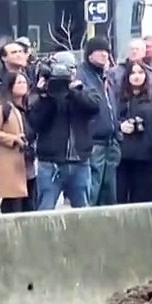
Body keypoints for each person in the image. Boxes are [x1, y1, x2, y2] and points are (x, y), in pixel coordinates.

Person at [29, 53, 100, 210]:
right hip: (50, 163)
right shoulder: (43, 94)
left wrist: (73, 91)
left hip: (80, 161)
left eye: (71, 69)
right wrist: (46, 96)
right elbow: (36, 122)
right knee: (45, 210)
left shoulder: (84, 89)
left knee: (82, 212)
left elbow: (94, 107)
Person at [78, 37, 120, 207]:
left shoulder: (105, 76)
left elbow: (112, 107)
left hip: (111, 142)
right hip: (94, 141)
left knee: (108, 192)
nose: (105, 55)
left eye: (107, 51)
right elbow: (87, 105)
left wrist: (118, 132)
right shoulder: (82, 75)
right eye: (100, 51)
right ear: (89, 54)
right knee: (92, 191)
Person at [0, 72, 35, 212]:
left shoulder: (29, 106)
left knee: (30, 201)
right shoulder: (3, 107)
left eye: (24, 82)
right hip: (11, 160)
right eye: (18, 83)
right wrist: (13, 139)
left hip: (28, 162)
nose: (23, 86)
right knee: (13, 201)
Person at [116, 63, 152, 204]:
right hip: (123, 156)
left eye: (140, 72)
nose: (136, 76)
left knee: (143, 199)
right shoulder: (118, 98)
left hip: (145, 155)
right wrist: (120, 126)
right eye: (133, 73)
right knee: (121, 198)